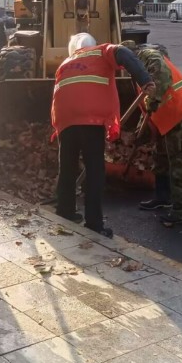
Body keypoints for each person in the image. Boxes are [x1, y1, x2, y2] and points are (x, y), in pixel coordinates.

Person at [51, 33, 154, 238]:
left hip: (64, 118)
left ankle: (65, 211)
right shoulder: (101, 51)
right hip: (91, 118)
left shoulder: (65, 62)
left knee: (67, 167)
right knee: (95, 169)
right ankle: (94, 224)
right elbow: (124, 53)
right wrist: (145, 81)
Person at [135, 45, 182, 227]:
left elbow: (159, 82)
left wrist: (151, 101)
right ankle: (163, 196)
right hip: (168, 119)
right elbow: (146, 104)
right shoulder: (137, 70)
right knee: (162, 158)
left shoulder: (147, 56)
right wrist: (141, 128)